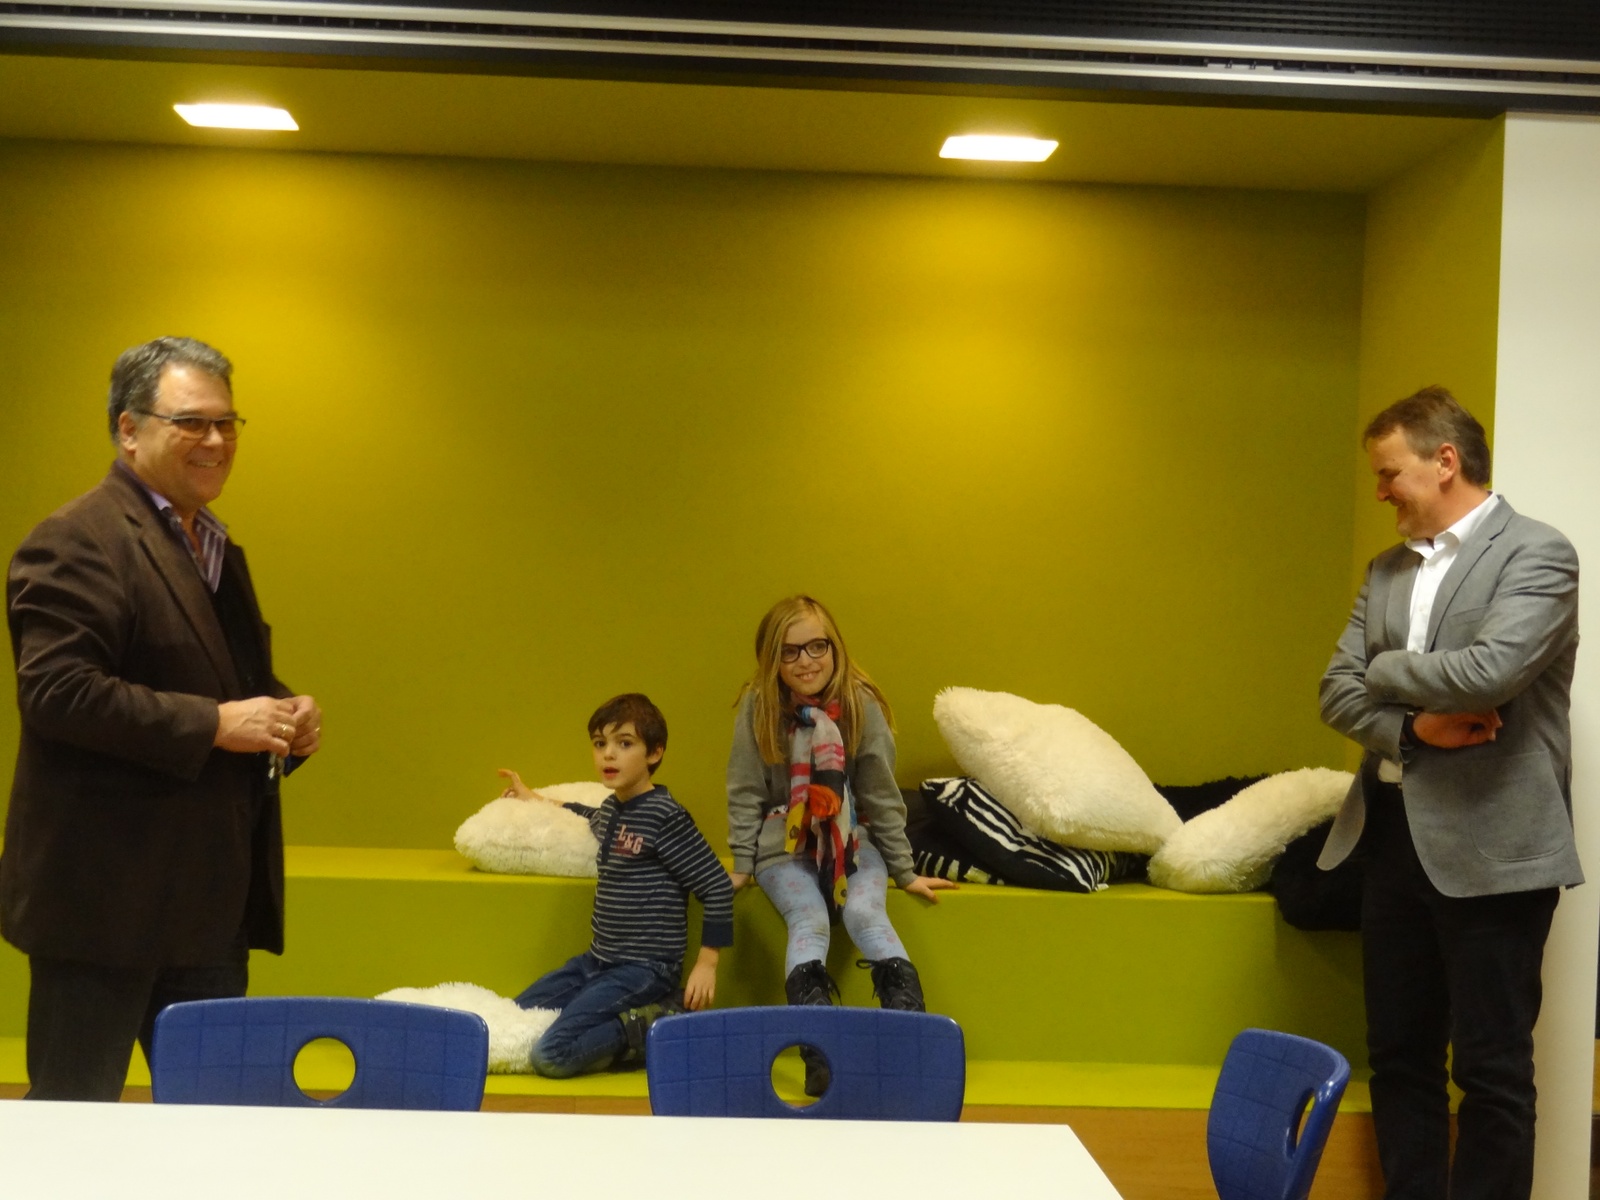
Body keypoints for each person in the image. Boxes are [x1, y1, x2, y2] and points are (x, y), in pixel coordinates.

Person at [2, 336, 323, 1101]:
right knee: (73, 1123)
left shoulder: (213, 543)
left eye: (227, 422)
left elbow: (218, 679)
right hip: (103, 908)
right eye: (191, 422)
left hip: (207, 906)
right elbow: (57, 692)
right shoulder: (76, 539)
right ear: (129, 428)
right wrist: (216, 723)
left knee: (217, 1128)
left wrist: (283, 714)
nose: (215, 440)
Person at [1318, 386, 1582, 1200]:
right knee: (1399, 1058)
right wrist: (1413, 731)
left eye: (1388, 472)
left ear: (1444, 461)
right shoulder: (1386, 570)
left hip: (1496, 848)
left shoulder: (1538, 553)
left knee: (1491, 1069)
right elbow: (1334, 693)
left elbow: (1490, 673)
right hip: (1392, 839)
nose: (1380, 491)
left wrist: (1384, 670)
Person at [727, 594, 956, 1096]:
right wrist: (742, 863)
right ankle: (820, 1051)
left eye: (817, 646)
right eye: (789, 652)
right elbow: (744, 789)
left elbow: (880, 793)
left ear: (835, 646)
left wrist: (904, 871)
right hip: (783, 845)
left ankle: (908, 1043)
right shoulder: (759, 706)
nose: (806, 661)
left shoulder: (859, 703)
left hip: (851, 839)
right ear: (771, 659)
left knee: (866, 914)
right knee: (808, 919)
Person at [499, 693, 732, 1076]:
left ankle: (661, 1020)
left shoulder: (665, 815)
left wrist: (707, 963)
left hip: (645, 969)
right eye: (599, 743)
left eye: (624, 744)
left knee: (550, 1055)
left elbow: (717, 886)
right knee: (513, 1013)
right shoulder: (611, 809)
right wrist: (533, 799)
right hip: (596, 961)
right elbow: (582, 812)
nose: (608, 754)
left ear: (654, 753)